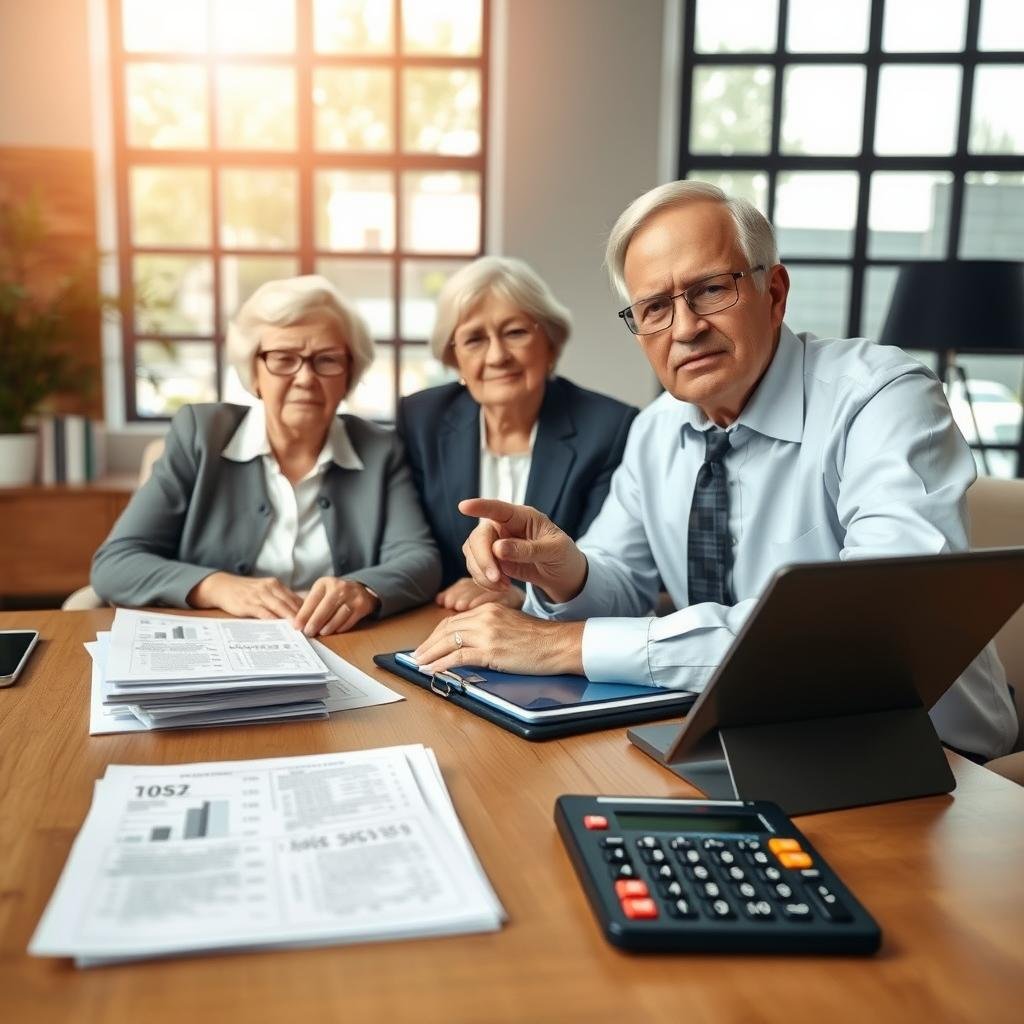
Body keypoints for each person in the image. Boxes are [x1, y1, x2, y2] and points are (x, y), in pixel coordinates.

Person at [412, 180, 1017, 761]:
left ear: (774, 293)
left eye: (709, 290)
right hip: (736, 735)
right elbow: (624, 584)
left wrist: (568, 645)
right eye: (654, 308)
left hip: (918, 747)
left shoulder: (882, 398)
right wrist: (562, 571)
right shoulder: (655, 430)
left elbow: (872, 634)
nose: (685, 328)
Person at [92, 275, 440, 636]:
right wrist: (218, 586)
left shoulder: (381, 449)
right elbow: (115, 564)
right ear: (254, 371)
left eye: (326, 360)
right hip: (213, 646)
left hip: (337, 647)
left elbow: (420, 559)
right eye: (283, 358)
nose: (305, 378)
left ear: (349, 373)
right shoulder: (200, 435)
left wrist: (364, 590)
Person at [396, 256, 637, 611]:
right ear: (454, 359)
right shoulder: (421, 419)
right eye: (474, 339)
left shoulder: (609, 428)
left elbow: (606, 566)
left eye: (515, 333)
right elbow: (415, 548)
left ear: (550, 345)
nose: (497, 356)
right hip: (445, 620)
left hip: (556, 633)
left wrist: (524, 598)